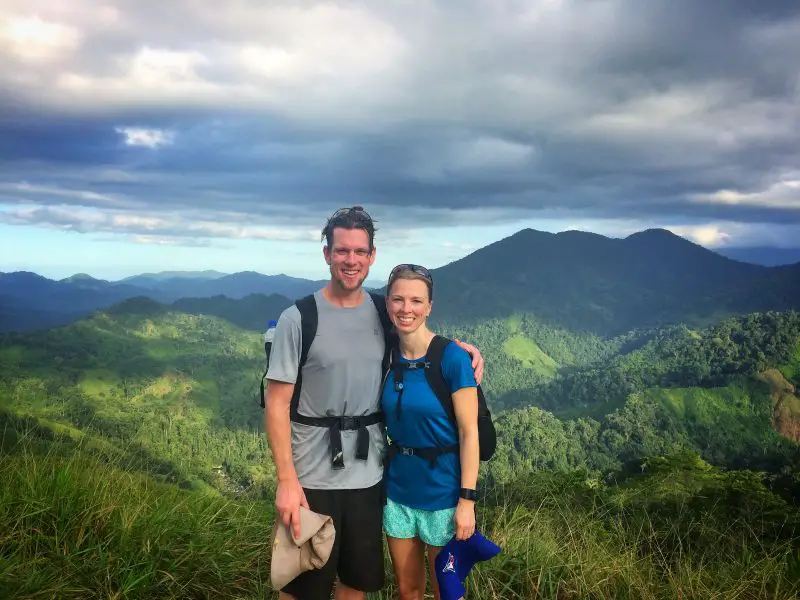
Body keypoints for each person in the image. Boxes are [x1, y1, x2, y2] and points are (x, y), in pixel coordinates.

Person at [264, 206, 484, 600]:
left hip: (370, 477)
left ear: (372, 256)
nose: (351, 260)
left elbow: (415, 325)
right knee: (302, 585)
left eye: (359, 252)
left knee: (356, 582)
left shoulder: (382, 310)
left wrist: (464, 352)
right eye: (342, 250)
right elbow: (276, 404)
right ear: (327, 253)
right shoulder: (299, 318)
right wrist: (286, 481)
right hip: (311, 477)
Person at [380, 263, 480, 600]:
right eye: (398, 299)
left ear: (429, 307)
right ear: (387, 303)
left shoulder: (452, 358)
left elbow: (469, 432)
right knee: (408, 590)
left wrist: (467, 501)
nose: (406, 309)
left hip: (443, 496)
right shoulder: (384, 355)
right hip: (398, 493)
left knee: (446, 591)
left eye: (416, 301)